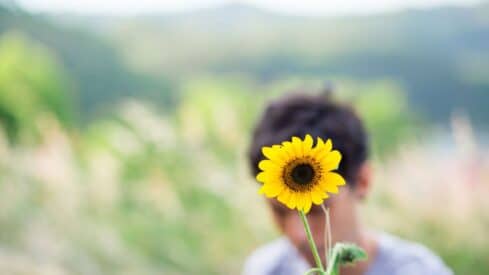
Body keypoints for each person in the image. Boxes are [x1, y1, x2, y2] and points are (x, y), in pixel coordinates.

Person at [243, 93, 452, 275]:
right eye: (279, 211)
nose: (298, 234)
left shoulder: (420, 271)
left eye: (316, 209)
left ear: (362, 181)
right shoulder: (266, 269)